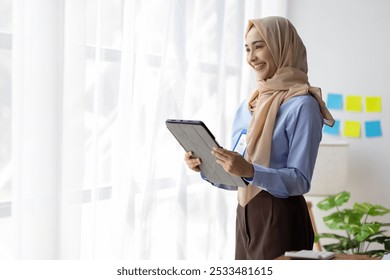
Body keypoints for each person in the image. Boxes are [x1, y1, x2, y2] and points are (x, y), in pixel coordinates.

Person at [184, 16, 334, 260]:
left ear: (281, 46)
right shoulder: (250, 104)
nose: (251, 57)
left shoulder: (303, 106)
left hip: (282, 216)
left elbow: (300, 180)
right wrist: (208, 167)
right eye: (247, 48)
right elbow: (238, 175)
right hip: (245, 214)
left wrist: (251, 171)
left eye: (259, 46)